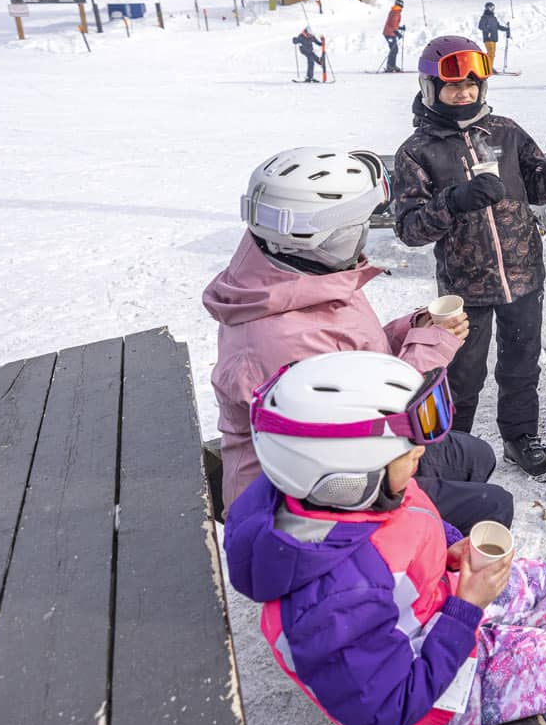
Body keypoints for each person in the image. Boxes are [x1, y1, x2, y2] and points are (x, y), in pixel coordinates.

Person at [224, 352, 546, 725]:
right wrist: (465, 611)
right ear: (349, 476)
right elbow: (389, 711)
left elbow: (407, 523)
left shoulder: (348, 497)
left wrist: (447, 547)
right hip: (422, 685)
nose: (420, 456)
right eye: (407, 454)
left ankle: (518, 671)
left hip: (425, 612)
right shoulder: (331, 604)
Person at [203, 147, 513, 533]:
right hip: (311, 500)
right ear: (323, 235)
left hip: (351, 459)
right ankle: (424, 572)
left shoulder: (297, 273)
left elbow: (353, 352)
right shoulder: (277, 336)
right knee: (493, 505)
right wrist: (431, 343)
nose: (365, 234)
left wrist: (413, 327)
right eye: (357, 224)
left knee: (475, 455)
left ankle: (432, 542)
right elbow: (374, 421)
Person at [393, 36, 546, 477]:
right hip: (465, 287)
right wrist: (455, 200)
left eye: (472, 84)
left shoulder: (504, 130)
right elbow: (408, 229)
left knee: (521, 366)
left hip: (523, 273)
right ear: (430, 88)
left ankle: (520, 436)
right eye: (453, 86)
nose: (464, 93)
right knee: (463, 376)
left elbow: (540, 188)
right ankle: (453, 449)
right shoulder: (417, 152)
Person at [476, 3, 509, 73]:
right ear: (487, 8)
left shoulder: (494, 18)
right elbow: (480, 26)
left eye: (493, 7)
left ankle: (489, 66)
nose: (493, 9)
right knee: (490, 53)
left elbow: (498, 26)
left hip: (494, 38)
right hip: (488, 38)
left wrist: (506, 29)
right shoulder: (484, 17)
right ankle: (488, 68)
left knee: (492, 54)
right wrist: (487, 30)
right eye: (491, 8)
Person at [383, 0, 406, 73]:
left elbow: (393, 24)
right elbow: (392, 24)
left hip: (390, 32)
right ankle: (390, 66)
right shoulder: (396, 12)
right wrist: (397, 33)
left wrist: (400, 28)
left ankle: (392, 65)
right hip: (389, 33)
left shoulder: (395, 11)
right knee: (394, 49)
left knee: (394, 49)